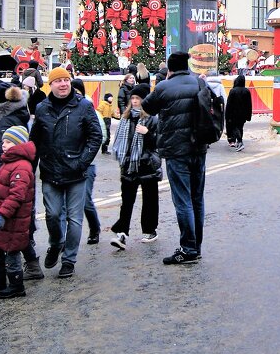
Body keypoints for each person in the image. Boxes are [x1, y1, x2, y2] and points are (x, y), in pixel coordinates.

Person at [31, 67, 102, 278]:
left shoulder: (84, 106)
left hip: (76, 173)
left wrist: (82, 162)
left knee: (75, 218)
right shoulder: (42, 108)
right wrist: (28, 168)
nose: (63, 84)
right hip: (50, 171)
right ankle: (56, 243)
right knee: (53, 215)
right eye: (58, 81)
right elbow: (35, 141)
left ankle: (69, 260)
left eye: (66, 80)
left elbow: (95, 136)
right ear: (50, 85)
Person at [143, 51, 210, 265]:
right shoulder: (199, 83)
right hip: (199, 148)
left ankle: (188, 249)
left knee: (182, 201)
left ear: (170, 69)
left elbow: (147, 106)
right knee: (197, 199)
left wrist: (162, 84)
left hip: (175, 151)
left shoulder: (163, 86)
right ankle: (196, 247)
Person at [0, 125, 36, 300]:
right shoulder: (8, 162)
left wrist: (3, 214)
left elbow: (16, 194)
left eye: (9, 142)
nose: (4, 145)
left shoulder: (21, 167)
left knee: (11, 253)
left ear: (18, 144)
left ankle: (16, 286)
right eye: (3, 141)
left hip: (11, 220)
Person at [109, 84, 161, 248]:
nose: (135, 101)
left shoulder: (152, 118)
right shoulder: (126, 118)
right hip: (128, 164)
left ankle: (150, 230)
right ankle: (122, 233)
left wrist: (147, 133)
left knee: (150, 200)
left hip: (146, 164)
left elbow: (160, 142)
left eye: (138, 98)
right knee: (127, 200)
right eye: (133, 98)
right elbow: (119, 141)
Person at [71, 77, 104, 245]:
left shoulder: (89, 109)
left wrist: (86, 154)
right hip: (67, 163)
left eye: (77, 91)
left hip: (87, 163)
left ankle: (94, 227)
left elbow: (101, 135)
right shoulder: (65, 109)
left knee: (85, 200)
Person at [225, 74, 253, 153]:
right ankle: (239, 141)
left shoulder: (233, 91)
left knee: (235, 127)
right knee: (240, 127)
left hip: (234, 113)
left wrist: (227, 115)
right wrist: (249, 115)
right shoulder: (247, 91)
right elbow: (249, 104)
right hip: (243, 114)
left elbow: (229, 104)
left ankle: (240, 142)